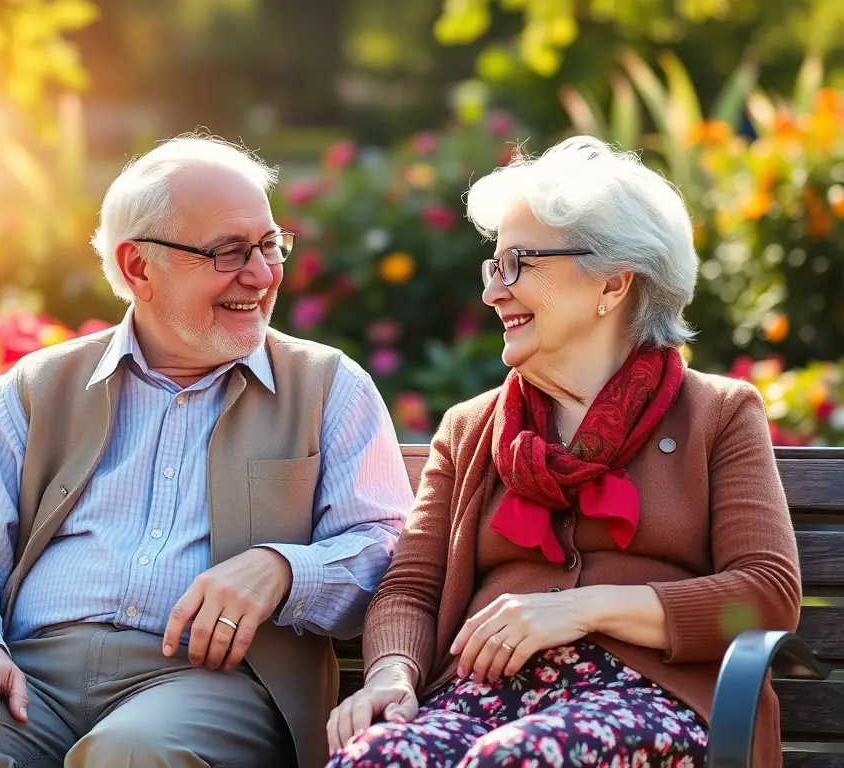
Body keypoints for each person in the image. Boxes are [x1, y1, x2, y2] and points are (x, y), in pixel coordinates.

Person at [0, 134, 415, 768]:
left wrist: (283, 569)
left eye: (269, 245)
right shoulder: (37, 388)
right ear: (138, 269)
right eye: (229, 251)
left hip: (211, 682)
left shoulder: (328, 388)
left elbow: (385, 552)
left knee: (129, 755)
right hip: (30, 676)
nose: (262, 275)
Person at [326, 136, 801, 768]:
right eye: (494, 267)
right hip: (483, 696)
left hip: (651, 697)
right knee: (378, 758)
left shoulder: (718, 413)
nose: (495, 292)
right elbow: (412, 587)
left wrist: (575, 611)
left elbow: (765, 594)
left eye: (519, 263)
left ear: (612, 281)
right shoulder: (472, 429)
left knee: (518, 758)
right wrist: (390, 672)